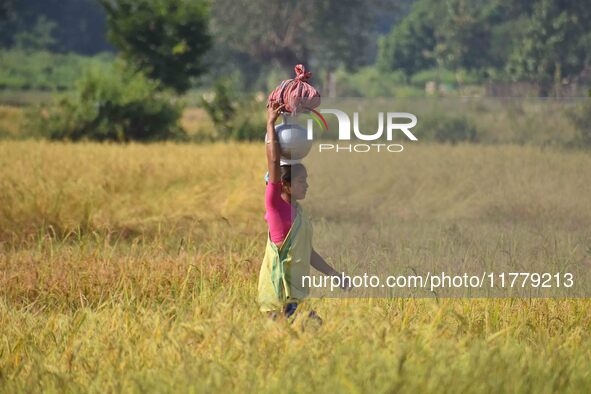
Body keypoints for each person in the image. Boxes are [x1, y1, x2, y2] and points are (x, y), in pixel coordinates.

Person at [257, 102, 346, 321]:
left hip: (294, 295)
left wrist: (333, 274)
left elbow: (307, 252)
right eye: (301, 181)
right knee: (310, 329)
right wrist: (271, 123)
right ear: (285, 184)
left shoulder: (299, 212)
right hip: (279, 295)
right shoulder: (276, 206)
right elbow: (275, 161)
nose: (306, 185)